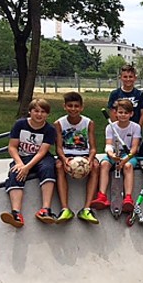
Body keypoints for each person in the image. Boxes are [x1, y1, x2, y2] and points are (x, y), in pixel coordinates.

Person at [0, 98, 58, 228]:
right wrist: (20, 164)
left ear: (47, 114)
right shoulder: (20, 125)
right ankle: (16, 214)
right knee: (15, 173)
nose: (39, 114)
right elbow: (12, 147)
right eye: (36, 111)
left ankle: (45, 209)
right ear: (30, 112)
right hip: (22, 157)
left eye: (43, 112)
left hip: (41, 158)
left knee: (48, 169)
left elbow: (42, 152)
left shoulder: (49, 129)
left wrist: (27, 167)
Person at [53, 92, 100, 224]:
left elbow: (93, 148)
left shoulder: (88, 123)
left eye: (76, 106)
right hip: (67, 155)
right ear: (64, 106)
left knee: (96, 166)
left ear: (81, 107)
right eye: (70, 106)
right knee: (58, 167)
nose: (73, 109)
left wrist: (90, 159)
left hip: (84, 154)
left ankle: (87, 208)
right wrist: (63, 159)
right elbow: (59, 147)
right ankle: (64, 208)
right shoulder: (59, 123)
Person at [91, 99, 141, 212]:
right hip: (114, 153)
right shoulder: (110, 127)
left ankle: (128, 198)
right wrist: (111, 154)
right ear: (115, 113)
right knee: (104, 164)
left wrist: (124, 161)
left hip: (128, 155)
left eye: (126, 113)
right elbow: (108, 145)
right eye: (120, 112)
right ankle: (102, 196)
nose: (123, 115)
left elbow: (134, 149)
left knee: (128, 167)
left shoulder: (136, 127)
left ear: (131, 114)